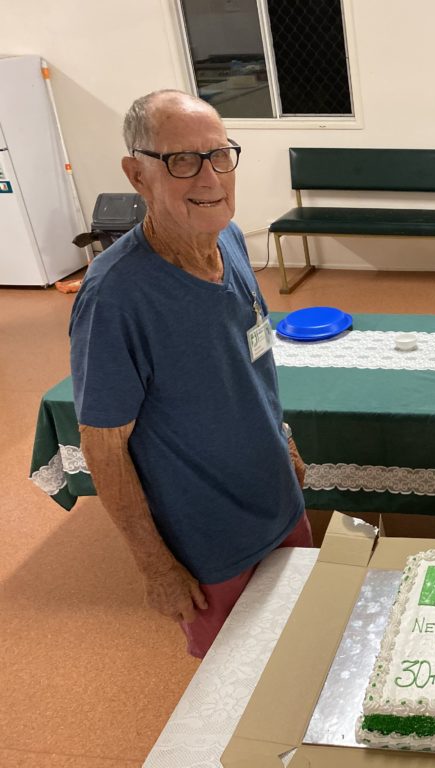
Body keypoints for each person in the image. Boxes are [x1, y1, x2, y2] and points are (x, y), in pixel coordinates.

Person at [69, 90, 311, 658]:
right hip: (209, 536)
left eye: (219, 154)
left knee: (298, 644)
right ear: (137, 174)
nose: (209, 178)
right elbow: (103, 448)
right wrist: (155, 566)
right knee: (235, 682)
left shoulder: (225, 234)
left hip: (277, 498)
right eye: (181, 160)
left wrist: (286, 439)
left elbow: (252, 356)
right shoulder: (115, 298)